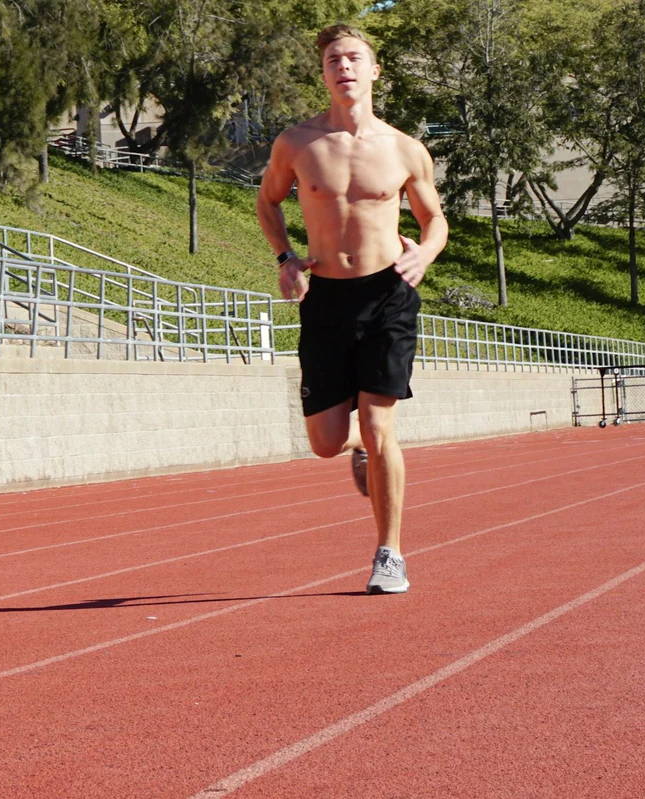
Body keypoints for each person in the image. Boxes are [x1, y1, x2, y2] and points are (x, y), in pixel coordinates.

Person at [256, 23, 448, 594]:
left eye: (354, 58)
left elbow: (434, 220)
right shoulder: (297, 143)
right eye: (334, 60)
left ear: (374, 70)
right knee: (324, 442)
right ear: (323, 74)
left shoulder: (404, 149)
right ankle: (358, 444)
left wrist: (425, 255)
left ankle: (390, 554)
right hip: (325, 298)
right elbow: (268, 201)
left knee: (381, 422)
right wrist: (285, 258)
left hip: (388, 294)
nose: (344, 66)